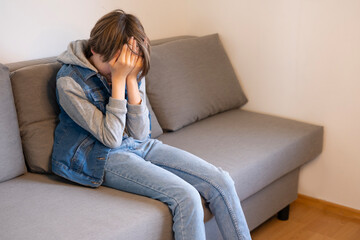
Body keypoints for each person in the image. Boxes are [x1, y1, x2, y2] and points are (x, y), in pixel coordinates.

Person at [51, 9, 252, 240]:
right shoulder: (69, 81)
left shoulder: (131, 63)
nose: (121, 69)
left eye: (126, 66)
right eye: (114, 66)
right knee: (186, 196)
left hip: (137, 145)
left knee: (221, 181)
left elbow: (139, 135)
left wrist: (131, 80)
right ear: (95, 50)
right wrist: (118, 80)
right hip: (99, 155)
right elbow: (112, 139)